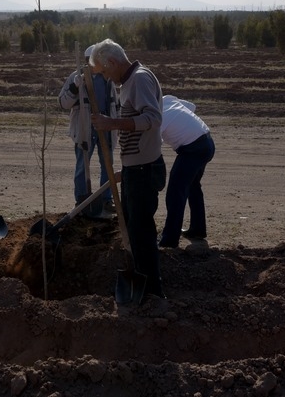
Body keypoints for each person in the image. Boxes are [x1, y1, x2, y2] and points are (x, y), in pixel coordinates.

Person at [88, 39, 166, 299]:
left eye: (105, 71)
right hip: (136, 169)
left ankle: (152, 292)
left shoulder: (140, 79)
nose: (107, 78)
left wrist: (111, 123)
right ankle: (143, 284)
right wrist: (127, 168)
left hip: (144, 170)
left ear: (112, 62)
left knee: (142, 233)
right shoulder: (130, 81)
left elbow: (153, 119)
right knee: (135, 230)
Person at [58, 46, 119, 218]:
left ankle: (106, 200)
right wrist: (75, 87)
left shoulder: (107, 78)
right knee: (82, 167)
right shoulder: (76, 77)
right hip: (85, 129)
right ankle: (81, 201)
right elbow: (63, 103)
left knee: (107, 165)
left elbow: (116, 104)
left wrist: (117, 126)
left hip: (105, 127)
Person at [158, 95, 216, 248]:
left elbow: (154, 144)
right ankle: (198, 229)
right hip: (207, 142)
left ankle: (169, 239)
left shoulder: (157, 117)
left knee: (175, 192)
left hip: (193, 150)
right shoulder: (167, 99)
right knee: (192, 186)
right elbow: (191, 107)